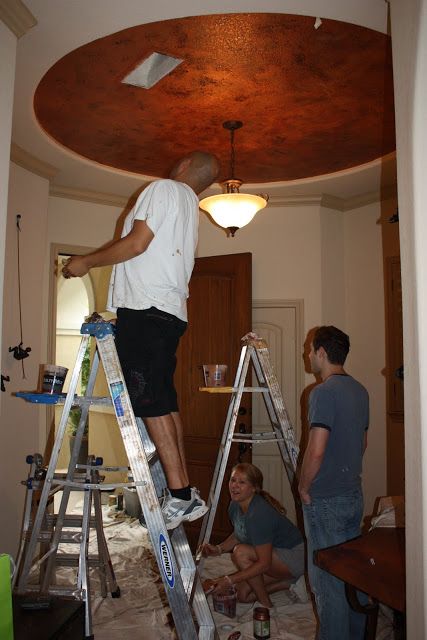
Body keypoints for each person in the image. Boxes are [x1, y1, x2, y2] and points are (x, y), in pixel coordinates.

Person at [62, 150, 220, 530]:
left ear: (183, 167)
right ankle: (185, 490)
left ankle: (180, 495)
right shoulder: (190, 208)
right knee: (163, 400)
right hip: (168, 313)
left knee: (148, 401)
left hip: (146, 310)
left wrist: (85, 261)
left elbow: (136, 243)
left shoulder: (163, 188)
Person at [298, 325, 369, 640]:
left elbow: (316, 450)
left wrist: (303, 487)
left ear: (322, 353)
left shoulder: (322, 393)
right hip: (353, 493)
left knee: (327, 582)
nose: (307, 354)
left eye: (310, 349)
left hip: (326, 500)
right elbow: (363, 443)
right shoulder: (360, 390)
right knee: (351, 575)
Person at [201, 463, 304, 608]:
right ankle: (289, 583)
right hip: (275, 556)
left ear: (254, 488)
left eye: (242, 482)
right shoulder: (235, 505)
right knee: (243, 595)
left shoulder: (259, 513)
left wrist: (229, 579)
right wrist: (218, 549)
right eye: (233, 480)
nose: (234, 486)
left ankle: (266, 604)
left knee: (241, 552)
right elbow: (240, 533)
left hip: (294, 557)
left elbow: (264, 563)